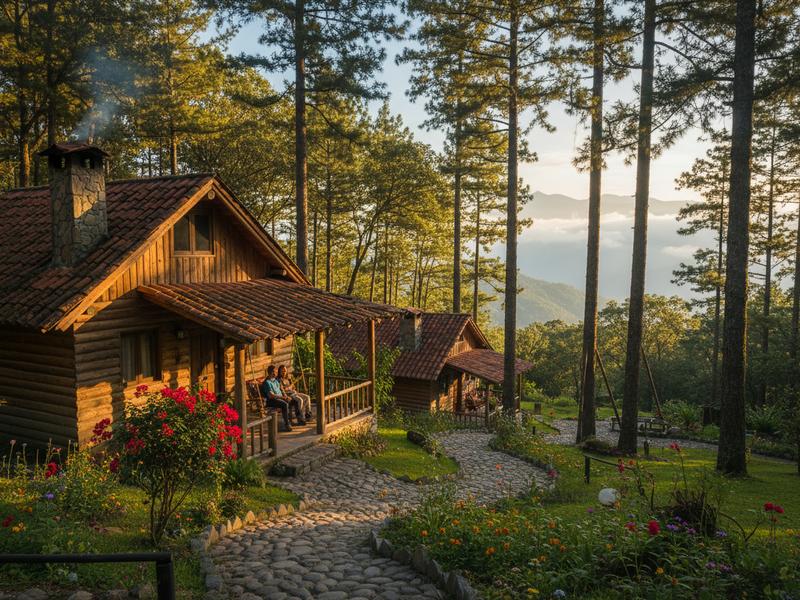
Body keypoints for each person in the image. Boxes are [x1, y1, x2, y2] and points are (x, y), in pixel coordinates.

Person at [260, 365, 304, 430]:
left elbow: (282, 390)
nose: (277, 373)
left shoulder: (275, 381)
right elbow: (271, 395)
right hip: (271, 400)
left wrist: (286, 396)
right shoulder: (267, 382)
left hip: (280, 398)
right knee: (285, 404)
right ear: (272, 372)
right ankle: (287, 424)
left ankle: (300, 419)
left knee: (295, 401)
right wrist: (283, 397)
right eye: (275, 371)